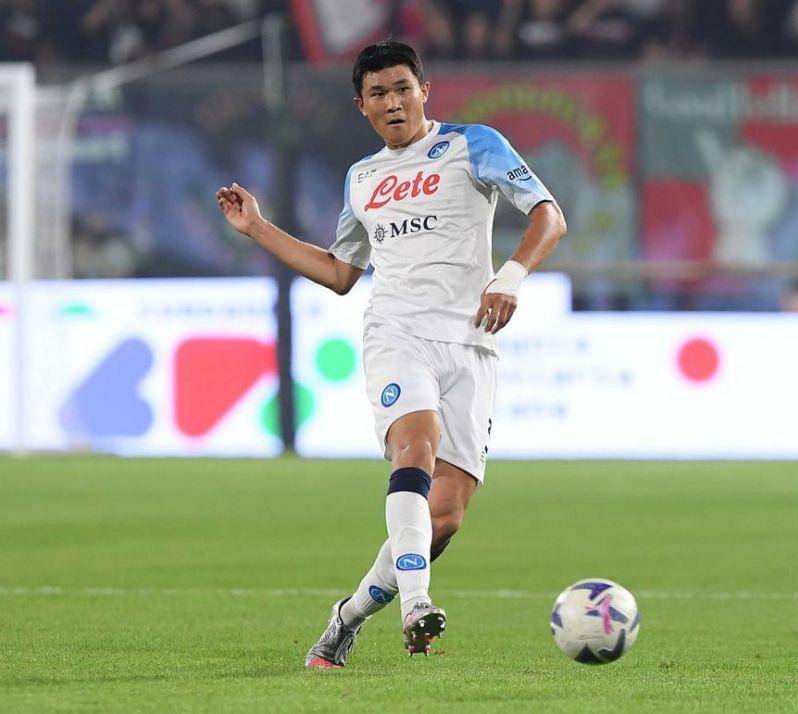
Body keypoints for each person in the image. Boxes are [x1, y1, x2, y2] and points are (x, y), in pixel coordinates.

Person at [215, 40, 566, 666]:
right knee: (415, 446)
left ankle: (346, 617)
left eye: (403, 87)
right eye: (378, 93)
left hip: (472, 341)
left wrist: (509, 277)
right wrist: (258, 229)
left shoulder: (473, 144)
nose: (393, 101)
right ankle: (416, 605)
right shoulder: (363, 178)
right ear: (362, 105)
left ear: (424, 90)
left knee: (446, 516)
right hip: (396, 331)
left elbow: (548, 216)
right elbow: (341, 271)